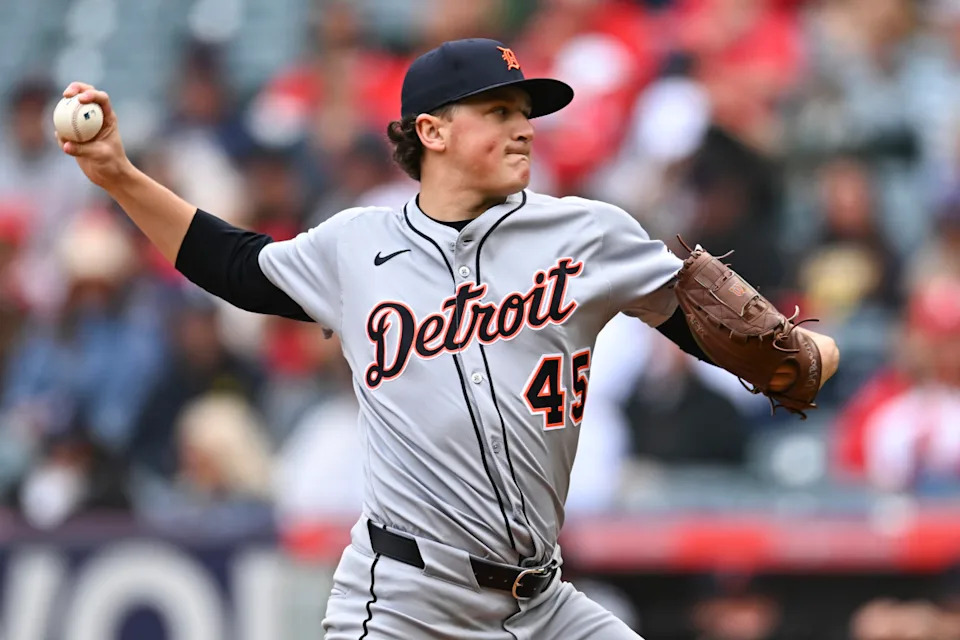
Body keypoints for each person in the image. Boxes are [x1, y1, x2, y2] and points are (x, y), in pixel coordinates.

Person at [57, 38, 838, 639]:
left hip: (542, 602)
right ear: (430, 130)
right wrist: (119, 174)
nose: (522, 128)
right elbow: (234, 264)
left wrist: (800, 359)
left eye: (524, 112)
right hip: (406, 602)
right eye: (496, 112)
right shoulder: (356, 246)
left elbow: (733, 340)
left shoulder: (589, 234)